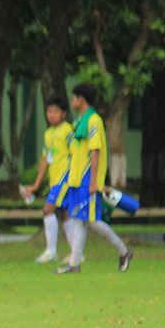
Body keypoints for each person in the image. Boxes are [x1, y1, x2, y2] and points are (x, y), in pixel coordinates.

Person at [55, 83, 134, 274]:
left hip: (86, 180)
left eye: (74, 97)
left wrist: (93, 181)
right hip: (76, 179)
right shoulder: (81, 120)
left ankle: (124, 251)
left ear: (81, 99)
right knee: (79, 220)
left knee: (92, 220)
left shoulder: (94, 121)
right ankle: (74, 265)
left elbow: (95, 150)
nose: (72, 101)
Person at [22, 97, 73, 264]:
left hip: (65, 179)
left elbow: (76, 154)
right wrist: (36, 184)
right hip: (55, 181)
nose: (51, 115)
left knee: (47, 210)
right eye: (49, 111)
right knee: (65, 215)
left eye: (55, 111)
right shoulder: (48, 134)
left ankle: (52, 251)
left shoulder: (68, 131)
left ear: (63, 114)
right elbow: (46, 160)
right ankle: (76, 252)